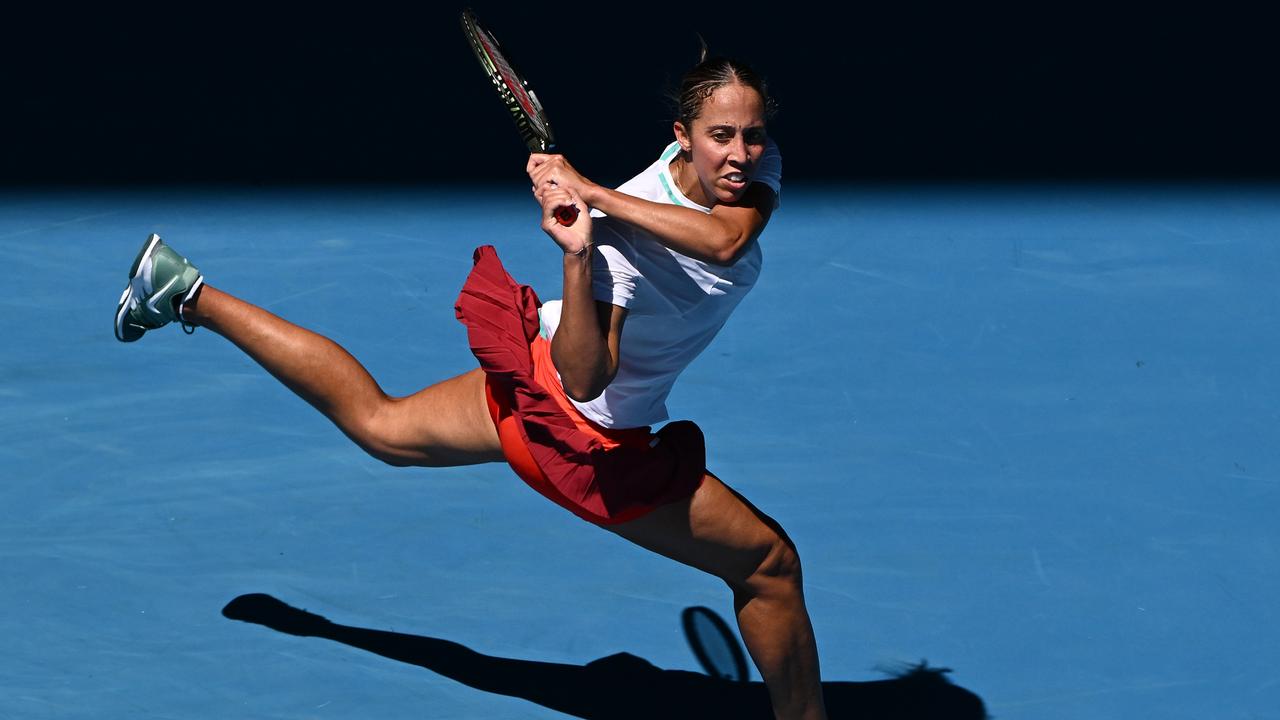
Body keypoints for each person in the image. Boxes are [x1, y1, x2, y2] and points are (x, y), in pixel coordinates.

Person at [113, 53, 827, 720]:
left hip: (529, 380)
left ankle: (186, 294)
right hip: (586, 441)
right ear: (682, 136)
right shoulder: (619, 243)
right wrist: (582, 256)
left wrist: (590, 190)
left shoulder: (750, 172)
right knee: (769, 565)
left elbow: (728, 240)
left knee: (381, 427)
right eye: (721, 136)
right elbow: (585, 378)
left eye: (753, 135)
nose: (739, 154)